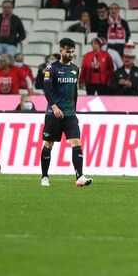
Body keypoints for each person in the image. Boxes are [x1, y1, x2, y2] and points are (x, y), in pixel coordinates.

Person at [40, 38, 93, 188]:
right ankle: (44, 177)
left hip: (70, 114)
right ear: (61, 50)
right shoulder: (51, 69)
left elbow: (74, 91)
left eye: (72, 52)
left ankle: (80, 176)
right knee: (49, 143)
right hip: (53, 113)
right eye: (67, 51)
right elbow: (46, 90)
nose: (70, 54)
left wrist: (74, 110)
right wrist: (54, 107)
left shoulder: (75, 69)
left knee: (77, 142)